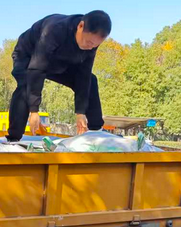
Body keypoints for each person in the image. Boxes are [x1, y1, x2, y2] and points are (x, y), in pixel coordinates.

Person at [7, 11, 111, 141]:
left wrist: (81, 112)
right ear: (80, 26)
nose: (90, 47)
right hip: (28, 56)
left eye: (94, 45)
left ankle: (96, 131)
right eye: (88, 42)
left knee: (91, 80)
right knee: (26, 84)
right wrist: (34, 110)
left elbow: (84, 75)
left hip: (59, 62)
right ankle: (13, 137)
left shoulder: (91, 44)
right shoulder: (55, 30)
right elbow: (37, 69)